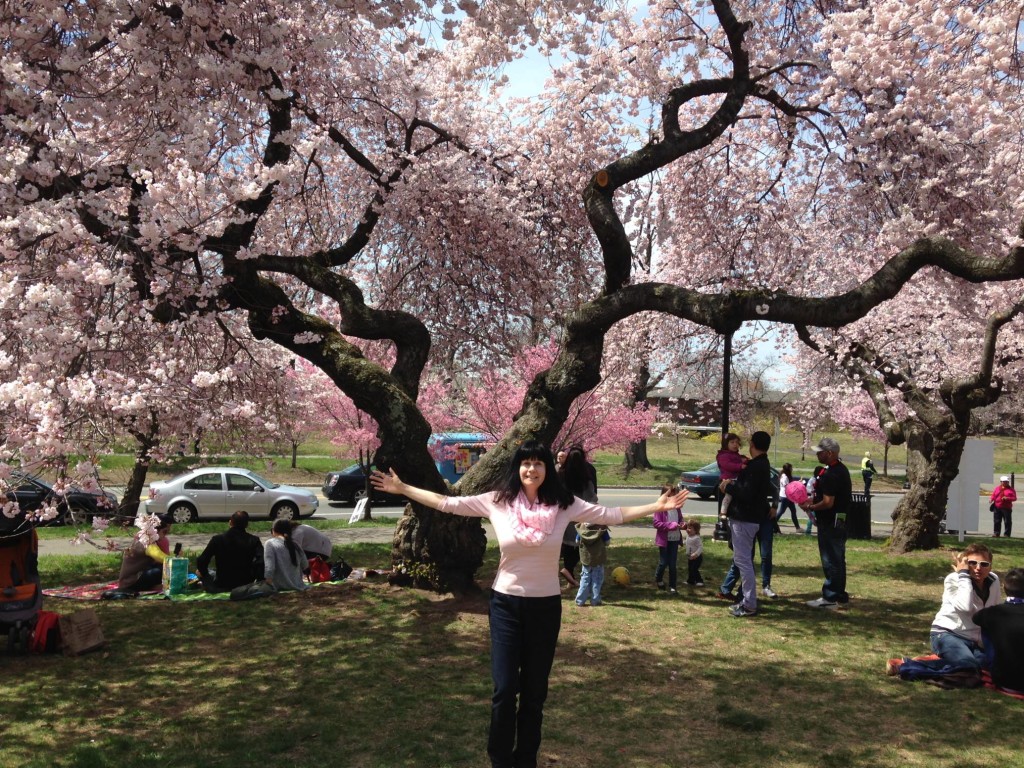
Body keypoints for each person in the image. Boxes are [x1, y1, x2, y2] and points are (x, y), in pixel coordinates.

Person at [370, 439, 688, 768]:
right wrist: (404, 487)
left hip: (545, 608)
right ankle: (500, 760)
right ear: (517, 468)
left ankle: (526, 760)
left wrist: (656, 507)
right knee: (505, 690)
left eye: (538, 463)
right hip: (506, 605)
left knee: (535, 694)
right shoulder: (498, 501)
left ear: (547, 469)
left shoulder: (563, 504)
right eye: (525, 463)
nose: (531, 469)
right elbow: (447, 503)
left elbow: (611, 514)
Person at [718, 430, 773, 618]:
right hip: (751, 518)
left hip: (745, 519)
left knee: (743, 562)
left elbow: (747, 493)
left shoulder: (756, 466)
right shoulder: (761, 464)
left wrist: (728, 487)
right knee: (743, 561)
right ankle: (746, 600)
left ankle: (749, 604)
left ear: (753, 444)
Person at [800, 437, 852, 608]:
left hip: (830, 522)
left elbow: (828, 502)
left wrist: (811, 506)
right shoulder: (841, 469)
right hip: (841, 521)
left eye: (820, 452)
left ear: (830, 453)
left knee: (830, 559)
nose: (817, 454)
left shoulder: (831, 474)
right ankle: (840, 595)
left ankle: (830, 597)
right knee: (838, 558)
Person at [973, 566, 1024, 693]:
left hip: (1005, 681)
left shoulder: (992, 613)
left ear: (1004, 587)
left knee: (988, 626)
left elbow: (976, 618)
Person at [557, 446, 596, 588]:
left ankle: (569, 572)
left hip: (565, 516)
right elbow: (593, 497)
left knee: (567, 545)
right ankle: (570, 572)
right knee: (580, 545)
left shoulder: (561, 474)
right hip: (581, 517)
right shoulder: (587, 475)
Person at [196, 510, 264, 592]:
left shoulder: (217, 540)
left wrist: (206, 575)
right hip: (246, 583)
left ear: (230, 522)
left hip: (222, 583)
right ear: (247, 525)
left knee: (201, 572)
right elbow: (261, 562)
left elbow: (202, 561)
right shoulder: (254, 540)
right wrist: (258, 579)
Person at [117, 514, 172, 590]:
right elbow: (159, 556)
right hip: (130, 583)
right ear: (155, 530)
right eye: (164, 532)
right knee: (163, 569)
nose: (165, 536)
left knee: (164, 567)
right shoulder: (146, 541)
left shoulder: (146, 538)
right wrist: (178, 561)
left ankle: (156, 586)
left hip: (134, 579)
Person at [653, 485, 685, 594]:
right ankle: (658, 578)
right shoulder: (660, 508)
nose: (674, 497)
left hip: (674, 539)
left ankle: (673, 586)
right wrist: (670, 525)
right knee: (663, 562)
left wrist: (682, 524)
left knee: (672, 564)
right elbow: (656, 523)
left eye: (675, 495)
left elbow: (680, 519)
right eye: (671, 495)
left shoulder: (677, 508)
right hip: (664, 539)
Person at [263, 518, 309, 592]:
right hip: (298, 585)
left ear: (273, 530)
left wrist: (268, 584)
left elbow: (269, 568)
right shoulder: (296, 544)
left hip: (279, 587)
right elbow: (305, 565)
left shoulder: (270, 543)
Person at [575, 522, 609, 606]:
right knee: (596, 579)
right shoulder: (601, 528)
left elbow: (577, 541)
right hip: (598, 557)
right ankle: (595, 600)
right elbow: (607, 542)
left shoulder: (582, 527)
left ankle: (580, 600)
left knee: (585, 578)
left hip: (586, 558)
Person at [716, 433, 746, 518]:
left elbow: (740, 461)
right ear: (726, 444)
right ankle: (723, 512)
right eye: (732, 442)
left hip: (734, 479)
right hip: (726, 479)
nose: (735, 444)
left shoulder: (736, 455)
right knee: (728, 496)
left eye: (737, 442)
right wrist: (740, 466)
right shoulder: (723, 455)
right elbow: (728, 465)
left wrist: (745, 461)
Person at [777, 463, 799, 530]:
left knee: (793, 511)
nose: (792, 469)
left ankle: (797, 528)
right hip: (785, 497)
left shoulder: (785, 476)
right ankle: (772, 524)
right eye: (791, 468)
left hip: (788, 496)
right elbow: (787, 487)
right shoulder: (784, 477)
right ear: (788, 469)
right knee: (781, 511)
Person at [684, 518, 704, 586]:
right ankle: (690, 581)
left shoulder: (696, 538)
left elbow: (700, 547)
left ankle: (699, 581)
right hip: (690, 557)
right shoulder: (688, 536)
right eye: (687, 528)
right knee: (690, 569)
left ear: (695, 530)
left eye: (690, 528)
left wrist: (696, 554)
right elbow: (687, 543)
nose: (687, 529)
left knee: (694, 569)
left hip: (697, 558)